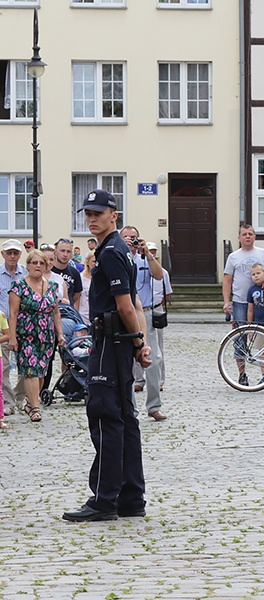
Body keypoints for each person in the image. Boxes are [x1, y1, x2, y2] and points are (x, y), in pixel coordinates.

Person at [62, 189, 152, 522]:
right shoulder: (115, 249)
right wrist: (138, 343)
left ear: (114, 215)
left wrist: (137, 340)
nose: (91, 218)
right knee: (125, 419)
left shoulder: (112, 251)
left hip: (109, 340)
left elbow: (126, 305)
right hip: (119, 340)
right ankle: (131, 496)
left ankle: (104, 499)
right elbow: (132, 305)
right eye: (87, 213)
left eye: (98, 213)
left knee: (104, 416)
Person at [7, 250, 65, 423]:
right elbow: (13, 313)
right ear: (28, 265)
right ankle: (35, 408)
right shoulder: (18, 286)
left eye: (41, 263)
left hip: (46, 334)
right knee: (30, 371)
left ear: (46, 266)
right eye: (34, 262)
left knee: (41, 372)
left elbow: (56, 313)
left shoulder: (52, 286)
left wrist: (60, 334)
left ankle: (30, 403)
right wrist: (12, 337)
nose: (38, 266)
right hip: (26, 334)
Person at [121, 225, 167, 422]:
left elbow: (158, 275)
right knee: (127, 364)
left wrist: (147, 254)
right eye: (127, 237)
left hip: (146, 313)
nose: (131, 240)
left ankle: (154, 406)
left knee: (154, 360)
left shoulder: (144, 258)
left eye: (134, 237)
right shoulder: (118, 257)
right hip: (125, 314)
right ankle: (131, 409)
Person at [222, 223, 264, 324]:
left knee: (261, 331)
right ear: (239, 238)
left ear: (254, 237)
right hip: (240, 300)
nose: (247, 236)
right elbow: (227, 281)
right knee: (240, 332)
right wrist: (226, 302)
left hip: (260, 300)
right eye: (244, 234)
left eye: (250, 234)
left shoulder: (263, 253)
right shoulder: (233, 257)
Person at [0, 239, 27, 415]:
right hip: (2, 325)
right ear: (3, 254)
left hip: (23, 325)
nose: (12, 256)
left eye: (15, 253)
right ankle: (8, 402)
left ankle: (20, 397)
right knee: (3, 366)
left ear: (19, 255)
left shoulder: (25, 273)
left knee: (26, 366)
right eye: (9, 252)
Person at [146, 243, 172, 391]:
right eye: (150, 251)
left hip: (156, 308)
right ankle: (138, 380)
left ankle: (160, 380)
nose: (153, 253)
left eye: (154, 251)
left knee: (158, 346)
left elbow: (167, 293)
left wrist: (158, 306)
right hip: (141, 308)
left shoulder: (163, 272)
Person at [51, 238, 84, 307]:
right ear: (55, 251)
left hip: (68, 312)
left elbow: (77, 298)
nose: (65, 254)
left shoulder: (75, 273)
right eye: (62, 251)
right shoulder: (48, 271)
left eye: (68, 251)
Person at [79, 252, 95, 323]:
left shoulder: (103, 279)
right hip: (83, 317)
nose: (96, 264)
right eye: (94, 261)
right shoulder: (80, 278)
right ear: (87, 262)